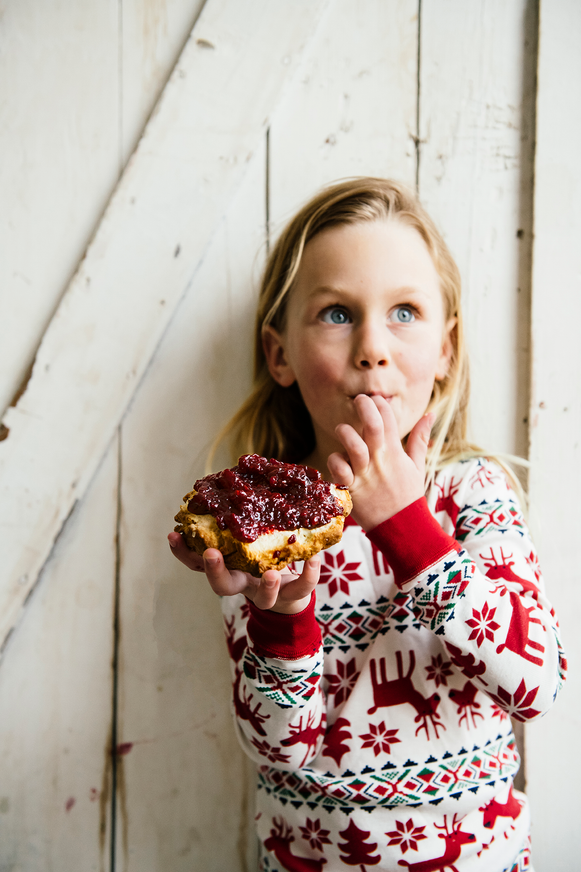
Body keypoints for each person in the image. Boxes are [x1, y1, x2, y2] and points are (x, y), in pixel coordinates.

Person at [168, 178, 566, 871]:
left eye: (404, 312)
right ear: (279, 354)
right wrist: (284, 613)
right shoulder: (270, 524)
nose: (373, 347)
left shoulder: (470, 493)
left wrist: (407, 525)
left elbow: (536, 682)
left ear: (445, 350)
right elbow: (277, 747)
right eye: (335, 314)